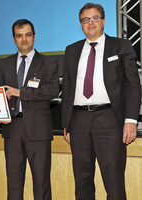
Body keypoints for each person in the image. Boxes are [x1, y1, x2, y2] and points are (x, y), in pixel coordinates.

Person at [61, 3, 141, 200]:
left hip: (110, 120)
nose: (90, 23)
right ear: (80, 24)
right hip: (78, 121)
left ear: (103, 21)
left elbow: (133, 85)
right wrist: (66, 123)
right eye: (85, 19)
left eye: (95, 18)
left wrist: (131, 120)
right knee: (82, 181)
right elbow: (68, 88)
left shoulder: (121, 46)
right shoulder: (71, 50)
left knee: (113, 181)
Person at [0, 19, 59, 200]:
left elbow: (52, 90)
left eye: (28, 35)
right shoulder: (5, 64)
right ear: (14, 39)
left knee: (41, 183)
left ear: (34, 37)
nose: (24, 39)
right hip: (12, 128)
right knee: (13, 185)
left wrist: (20, 92)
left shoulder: (48, 63)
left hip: (38, 130)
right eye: (19, 35)